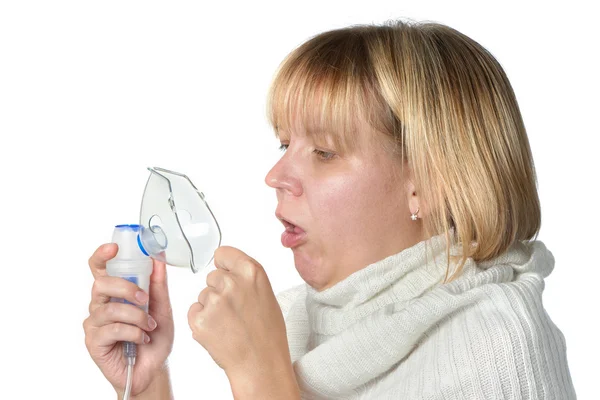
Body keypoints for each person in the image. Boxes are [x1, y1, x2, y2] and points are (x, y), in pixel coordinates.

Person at [83, 19, 577, 399]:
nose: (275, 178)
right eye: (284, 146)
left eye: (324, 152)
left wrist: (262, 377)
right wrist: (146, 382)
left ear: (427, 184)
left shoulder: (498, 347)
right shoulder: (299, 322)